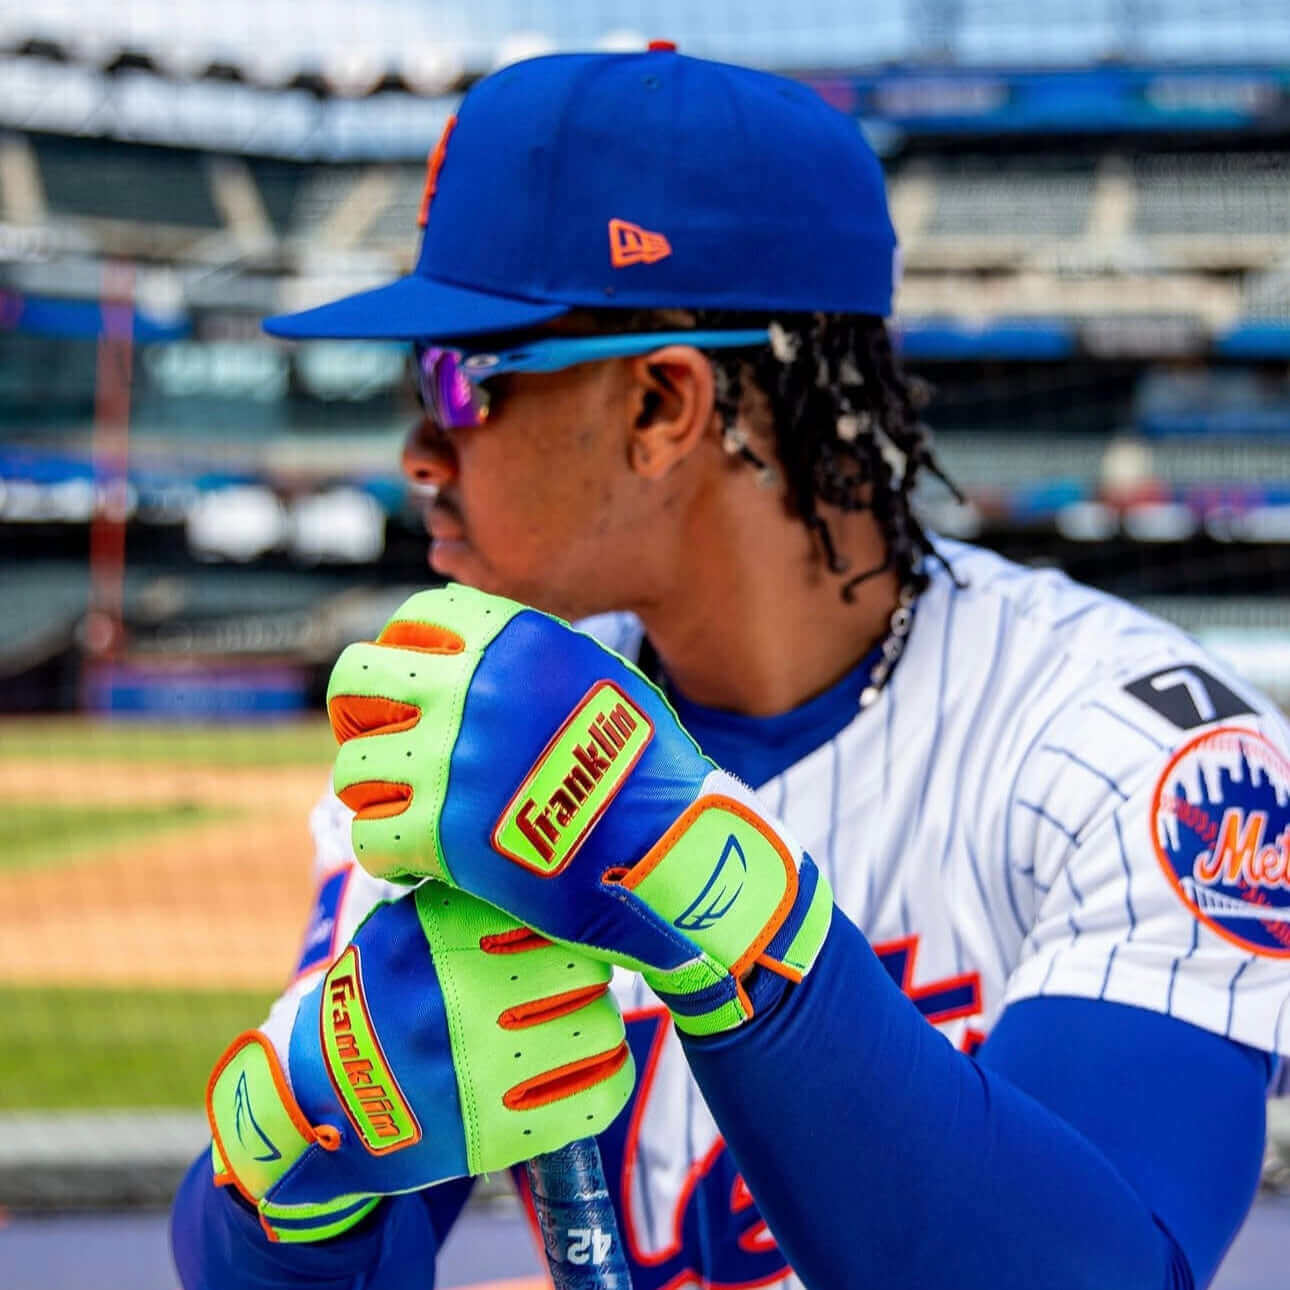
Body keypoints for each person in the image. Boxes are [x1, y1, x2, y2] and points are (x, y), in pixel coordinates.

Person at [172, 46, 1289, 1290]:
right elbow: (255, 1266)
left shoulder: (1143, 752)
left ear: (663, 405)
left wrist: (732, 920)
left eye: (456, 379)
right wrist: (298, 1169)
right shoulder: (482, 741)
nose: (420, 450)